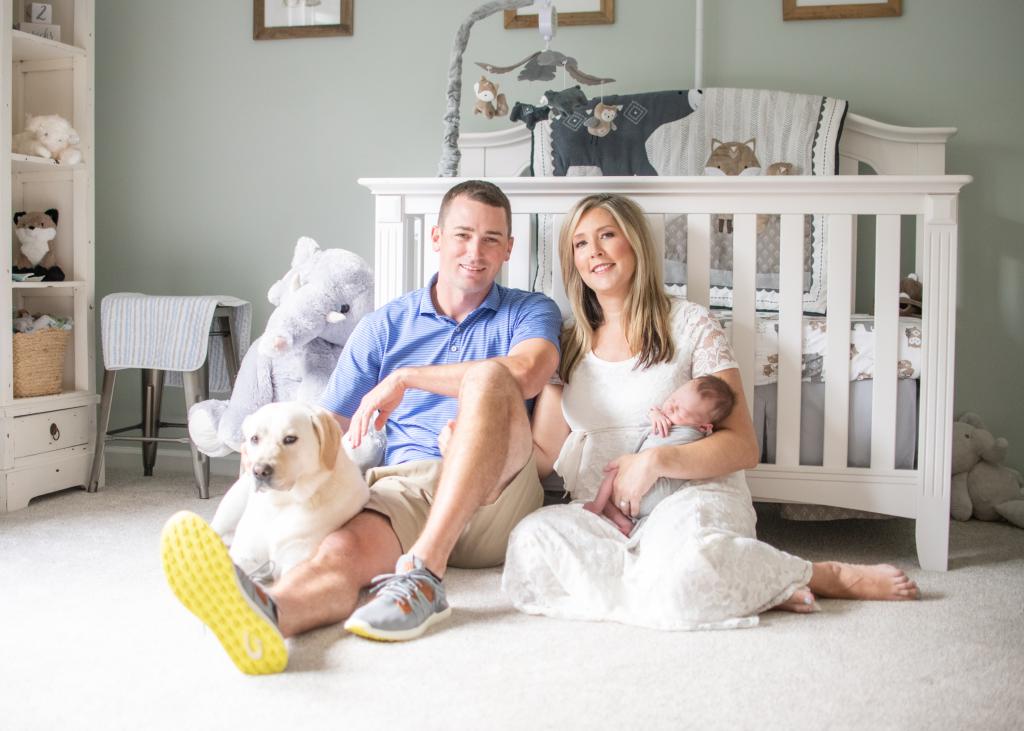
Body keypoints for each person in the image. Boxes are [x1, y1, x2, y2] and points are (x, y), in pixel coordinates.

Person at [161, 180, 562, 674]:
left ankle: (424, 574)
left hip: (500, 489)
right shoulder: (386, 325)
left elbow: (527, 373)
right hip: (406, 486)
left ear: (508, 247)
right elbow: (325, 424)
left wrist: (407, 378)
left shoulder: (531, 310)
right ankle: (268, 613)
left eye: (491, 239)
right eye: (462, 235)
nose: (475, 251)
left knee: (489, 375)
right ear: (436, 237)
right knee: (338, 554)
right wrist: (267, 452)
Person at [502, 193, 919, 631]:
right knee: (529, 545)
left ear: (636, 243)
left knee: (689, 567)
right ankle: (722, 586)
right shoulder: (567, 341)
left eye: (607, 235)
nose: (595, 253)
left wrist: (656, 460)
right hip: (604, 513)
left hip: (689, 499)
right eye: (580, 244)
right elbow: (544, 453)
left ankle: (820, 574)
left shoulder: (690, 323)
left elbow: (742, 445)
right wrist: (488, 436)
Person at [583, 375, 734, 535]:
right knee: (614, 496)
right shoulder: (669, 417)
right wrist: (654, 414)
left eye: (680, 410)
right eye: (673, 399)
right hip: (649, 501)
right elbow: (650, 417)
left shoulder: (693, 436)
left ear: (704, 427)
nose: (670, 408)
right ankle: (626, 524)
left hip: (653, 494)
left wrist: (654, 416)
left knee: (613, 473)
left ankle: (596, 505)